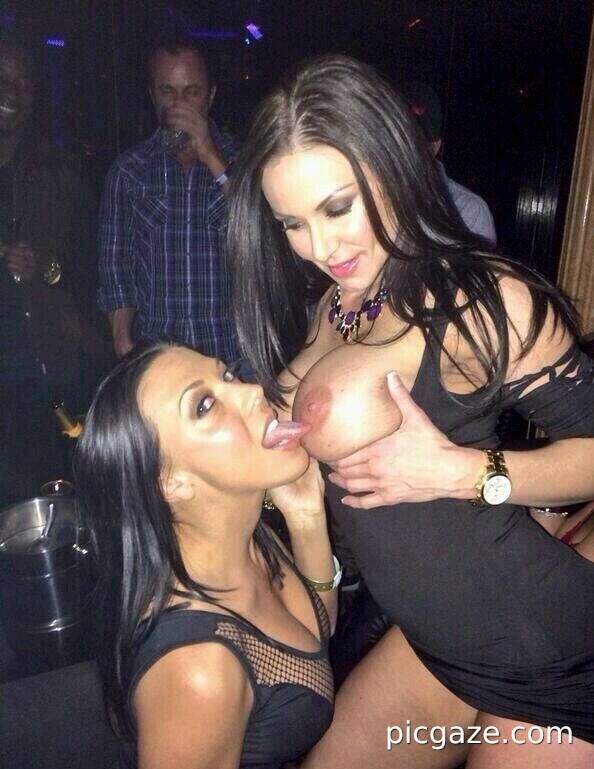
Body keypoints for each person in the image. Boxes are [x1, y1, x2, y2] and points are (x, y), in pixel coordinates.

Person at [228, 54, 594, 768]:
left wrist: (464, 471)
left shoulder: (478, 299)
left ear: (392, 165)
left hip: (549, 655)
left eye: (338, 208)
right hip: (436, 644)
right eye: (291, 223)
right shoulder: (339, 300)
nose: (320, 247)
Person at [73, 341, 338, 769]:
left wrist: (306, 518)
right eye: (204, 405)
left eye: (227, 375)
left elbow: (311, 635)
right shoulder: (199, 668)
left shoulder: (241, 537)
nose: (252, 390)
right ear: (169, 482)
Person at [98, 30, 239, 368]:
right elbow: (116, 266)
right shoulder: (129, 171)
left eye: (192, 92)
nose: (179, 104)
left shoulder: (243, 161)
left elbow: (262, 232)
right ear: (152, 96)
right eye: (167, 91)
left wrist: (211, 157)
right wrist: (123, 341)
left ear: (211, 96)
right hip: (161, 359)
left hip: (233, 358)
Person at [0, 39, 102, 505]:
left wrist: (46, 266)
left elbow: (90, 270)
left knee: (52, 493)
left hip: (42, 366)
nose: (11, 90)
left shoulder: (60, 171)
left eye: (22, 81)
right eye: (2, 77)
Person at [401, 80, 497, 245]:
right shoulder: (371, 198)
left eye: (417, 139)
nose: (405, 147)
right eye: (398, 136)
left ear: (435, 146)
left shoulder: (469, 212)